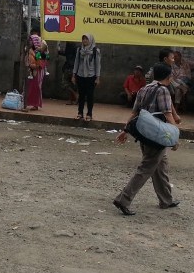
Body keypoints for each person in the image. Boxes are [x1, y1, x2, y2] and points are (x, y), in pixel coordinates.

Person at [112, 63, 181, 216]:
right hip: (158, 136)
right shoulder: (163, 91)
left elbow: (135, 113)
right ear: (168, 77)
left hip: (144, 133)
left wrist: (125, 130)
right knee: (146, 168)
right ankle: (124, 199)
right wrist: (175, 136)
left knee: (161, 166)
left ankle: (166, 200)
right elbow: (168, 114)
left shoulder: (144, 89)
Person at [72, 33, 101, 122]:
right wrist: (74, 75)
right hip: (80, 75)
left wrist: (97, 77)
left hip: (91, 76)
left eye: (86, 39)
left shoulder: (95, 51)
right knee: (81, 95)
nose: (84, 41)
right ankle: (80, 113)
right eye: (83, 39)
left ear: (90, 40)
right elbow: (76, 62)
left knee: (90, 96)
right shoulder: (80, 50)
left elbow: (97, 65)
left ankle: (89, 114)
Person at [24, 35, 43, 111]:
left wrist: (32, 66)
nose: (30, 42)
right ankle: (28, 103)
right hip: (30, 72)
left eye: (32, 40)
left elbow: (39, 64)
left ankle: (35, 104)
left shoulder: (37, 53)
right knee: (29, 88)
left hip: (35, 72)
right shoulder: (29, 50)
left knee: (35, 89)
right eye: (30, 40)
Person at [58, 41, 78, 105]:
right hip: (74, 67)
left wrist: (59, 51)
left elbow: (67, 53)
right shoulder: (76, 46)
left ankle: (75, 95)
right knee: (71, 84)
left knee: (65, 83)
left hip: (69, 67)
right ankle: (72, 99)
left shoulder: (70, 44)